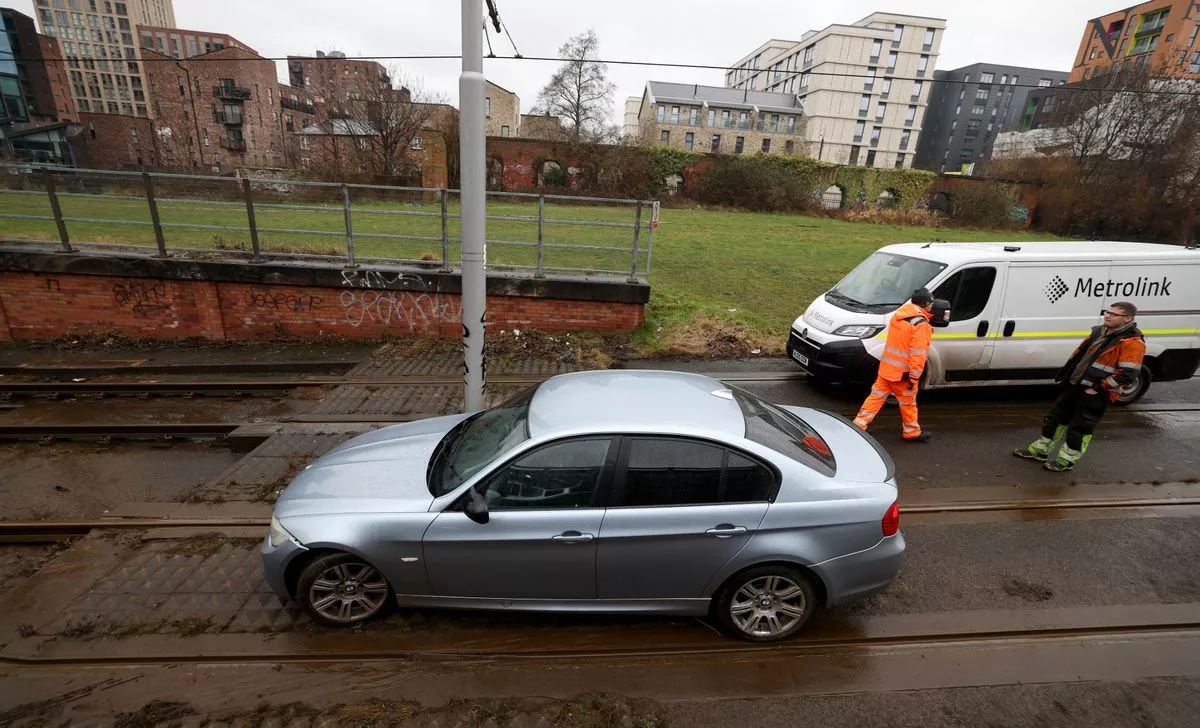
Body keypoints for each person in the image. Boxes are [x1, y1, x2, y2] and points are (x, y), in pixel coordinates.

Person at [1013, 302, 1145, 472]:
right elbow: (1079, 357)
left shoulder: (1132, 342)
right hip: (1075, 385)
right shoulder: (1098, 332)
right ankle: (1040, 450)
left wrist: (1098, 387)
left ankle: (1066, 460)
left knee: (1080, 427)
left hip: (1095, 392)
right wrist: (1066, 378)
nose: (1108, 315)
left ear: (1128, 319)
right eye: (1107, 312)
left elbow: (1128, 374)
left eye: (1114, 314)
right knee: (1054, 419)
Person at [852, 287, 935, 442]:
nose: (932, 305)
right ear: (925, 304)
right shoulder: (920, 324)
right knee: (908, 403)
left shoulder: (899, 315)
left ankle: (859, 425)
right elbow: (918, 354)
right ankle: (911, 432)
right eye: (931, 302)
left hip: (887, 369)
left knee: (875, 397)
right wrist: (914, 377)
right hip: (903, 374)